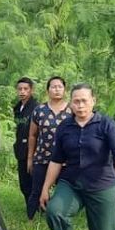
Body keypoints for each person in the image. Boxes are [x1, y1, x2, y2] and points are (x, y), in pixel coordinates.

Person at [38, 83, 115, 230]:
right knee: (55, 210)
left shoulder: (106, 124)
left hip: (101, 184)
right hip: (72, 183)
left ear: (93, 101)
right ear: (71, 104)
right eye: (76, 101)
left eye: (84, 101)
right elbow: (56, 160)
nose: (80, 105)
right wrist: (45, 188)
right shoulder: (65, 127)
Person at [26, 76, 71, 220]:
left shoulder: (72, 110)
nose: (57, 90)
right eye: (53, 87)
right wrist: (30, 158)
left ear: (65, 90)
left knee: (62, 192)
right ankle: (31, 220)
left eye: (60, 87)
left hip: (66, 161)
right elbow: (32, 135)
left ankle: (59, 219)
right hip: (42, 158)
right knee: (36, 190)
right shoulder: (39, 110)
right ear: (47, 90)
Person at [12, 77, 39, 218]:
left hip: (32, 150)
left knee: (32, 183)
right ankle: (31, 210)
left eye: (25, 89)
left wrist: (32, 154)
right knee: (24, 183)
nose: (22, 92)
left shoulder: (35, 108)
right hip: (20, 150)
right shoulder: (18, 108)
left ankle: (34, 212)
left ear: (31, 90)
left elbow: (34, 133)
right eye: (20, 89)